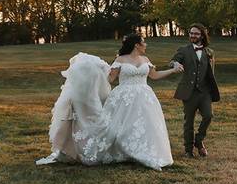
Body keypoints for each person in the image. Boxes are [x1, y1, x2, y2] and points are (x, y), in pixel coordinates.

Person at [37, 34, 184, 171]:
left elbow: (155, 75)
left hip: (144, 96)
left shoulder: (145, 60)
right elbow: (110, 79)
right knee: (117, 127)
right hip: (123, 97)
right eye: (143, 42)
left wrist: (172, 71)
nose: (145, 44)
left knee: (146, 124)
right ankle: (123, 151)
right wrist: (98, 70)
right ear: (136, 45)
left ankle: (145, 151)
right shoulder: (120, 60)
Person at [170, 23, 220, 158]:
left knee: (208, 116)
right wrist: (176, 64)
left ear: (202, 35)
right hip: (189, 92)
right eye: (191, 33)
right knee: (189, 121)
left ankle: (199, 140)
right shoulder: (183, 50)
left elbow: (211, 73)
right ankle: (188, 150)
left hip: (204, 92)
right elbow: (174, 60)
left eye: (196, 33)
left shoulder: (209, 52)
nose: (193, 35)